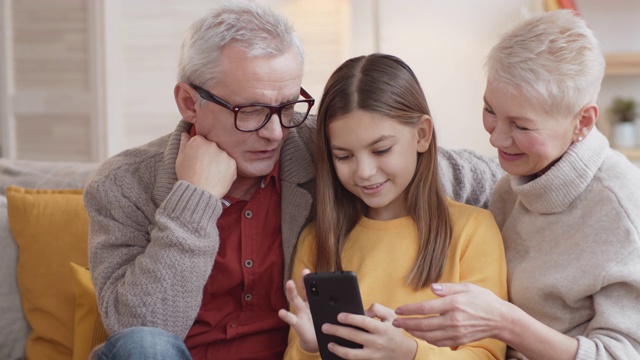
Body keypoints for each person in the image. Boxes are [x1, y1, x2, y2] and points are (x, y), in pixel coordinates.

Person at [84, 2, 503, 359]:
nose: (275, 133)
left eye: (287, 106)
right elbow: (139, 332)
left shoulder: (325, 146)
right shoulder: (123, 186)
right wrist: (193, 201)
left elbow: (448, 169)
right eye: (249, 111)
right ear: (190, 103)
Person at [392, 10, 640, 360]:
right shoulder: (512, 185)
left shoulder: (623, 212)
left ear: (582, 121)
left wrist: (505, 323)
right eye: (490, 110)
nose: (496, 138)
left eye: (521, 126)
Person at [278, 53, 508, 360]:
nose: (364, 171)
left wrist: (408, 353)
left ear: (422, 135)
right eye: (344, 156)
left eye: (381, 149)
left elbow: (488, 355)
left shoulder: (472, 231)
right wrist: (310, 349)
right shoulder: (318, 240)